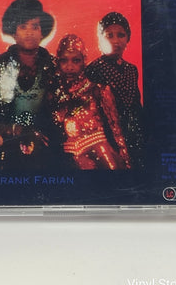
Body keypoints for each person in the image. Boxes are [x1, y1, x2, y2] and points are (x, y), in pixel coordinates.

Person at [0, 0, 56, 171]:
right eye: (23, 27)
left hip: (46, 149)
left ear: (42, 32)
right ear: (13, 32)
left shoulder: (55, 67)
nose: (29, 33)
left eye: (35, 27)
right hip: (3, 148)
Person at [47, 34, 130, 170]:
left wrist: (126, 163)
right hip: (70, 161)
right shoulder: (54, 95)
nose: (69, 67)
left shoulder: (97, 89)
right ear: (58, 62)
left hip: (101, 156)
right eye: (64, 61)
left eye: (76, 61)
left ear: (84, 61)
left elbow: (117, 132)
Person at [85, 12, 144, 167]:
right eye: (109, 35)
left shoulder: (131, 69)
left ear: (128, 38)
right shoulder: (93, 69)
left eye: (121, 35)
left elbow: (136, 105)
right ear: (100, 39)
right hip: (108, 136)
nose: (116, 41)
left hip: (134, 132)